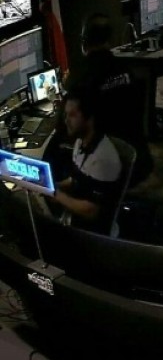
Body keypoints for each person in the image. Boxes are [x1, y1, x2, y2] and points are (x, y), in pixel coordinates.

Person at [48, 13, 151, 186]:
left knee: (53, 149)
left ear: (83, 41)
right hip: (138, 157)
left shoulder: (79, 76)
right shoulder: (126, 68)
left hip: (105, 164)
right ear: (109, 39)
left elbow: (63, 127)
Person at [48, 86, 123, 235]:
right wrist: (51, 186)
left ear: (89, 119)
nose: (66, 121)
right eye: (65, 115)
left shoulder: (102, 158)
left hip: (92, 232)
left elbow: (91, 211)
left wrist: (57, 195)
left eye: (72, 115)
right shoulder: (80, 142)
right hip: (75, 215)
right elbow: (78, 179)